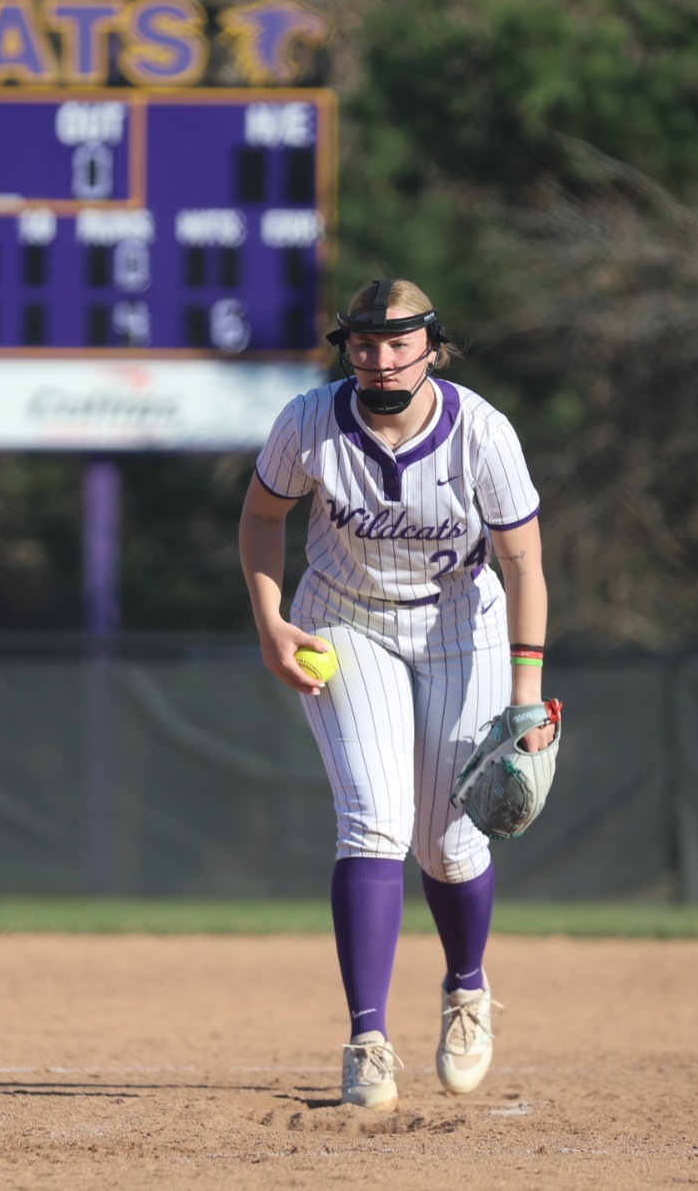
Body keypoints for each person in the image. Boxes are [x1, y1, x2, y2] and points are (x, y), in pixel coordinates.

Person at [239, 277, 556, 1110]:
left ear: (432, 346)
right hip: (345, 620)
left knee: (449, 841)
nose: (380, 360)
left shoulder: (480, 431)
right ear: (347, 348)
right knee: (373, 816)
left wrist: (527, 698)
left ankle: (466, 989)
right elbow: (262, 517)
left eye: (399, 343)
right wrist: (271, 618)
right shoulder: (310, 421)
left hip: (460, 622)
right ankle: (368, 1040)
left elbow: (523, 563)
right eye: (364, 344)